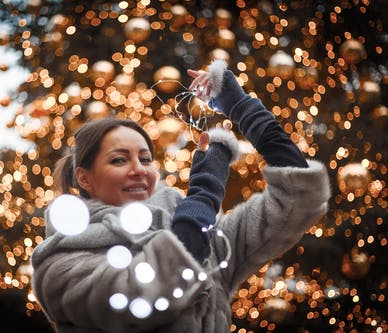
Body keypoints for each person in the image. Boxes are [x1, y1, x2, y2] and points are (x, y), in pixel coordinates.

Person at [31, 59, 331, 333]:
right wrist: (203, 194)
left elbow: (296, 196)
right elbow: (148, 297)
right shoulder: (61, 263)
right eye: (119, 160)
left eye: (146, 159)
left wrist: (242, 108)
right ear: (84, 178)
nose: (138, 170)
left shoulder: (210, 238)